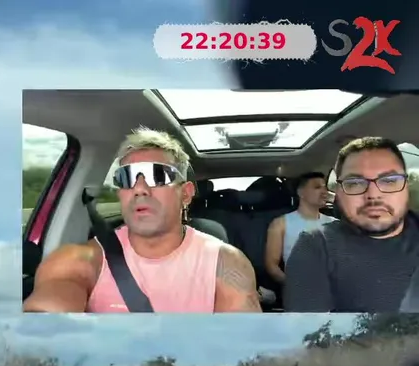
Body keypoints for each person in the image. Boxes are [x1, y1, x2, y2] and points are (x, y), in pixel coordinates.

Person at [23, 127, 260, 313]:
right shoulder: (78, 261)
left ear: (186, 194)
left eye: (157, 175)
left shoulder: (226, 263)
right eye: (126, 178)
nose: (139, 189)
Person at [285, 137, 419, 312]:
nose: (373, 195)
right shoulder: (317, 245)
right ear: (339, 193)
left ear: (406, 186)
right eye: (355, 183)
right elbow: (305, 327)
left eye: (389, 180)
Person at [264, 172, 332, 289]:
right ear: (301, 193)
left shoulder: (335, 224)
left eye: (325, 187)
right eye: (317, 187)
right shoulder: (280, 223)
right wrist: (294, 285)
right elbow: (272, 266)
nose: (324, 192)